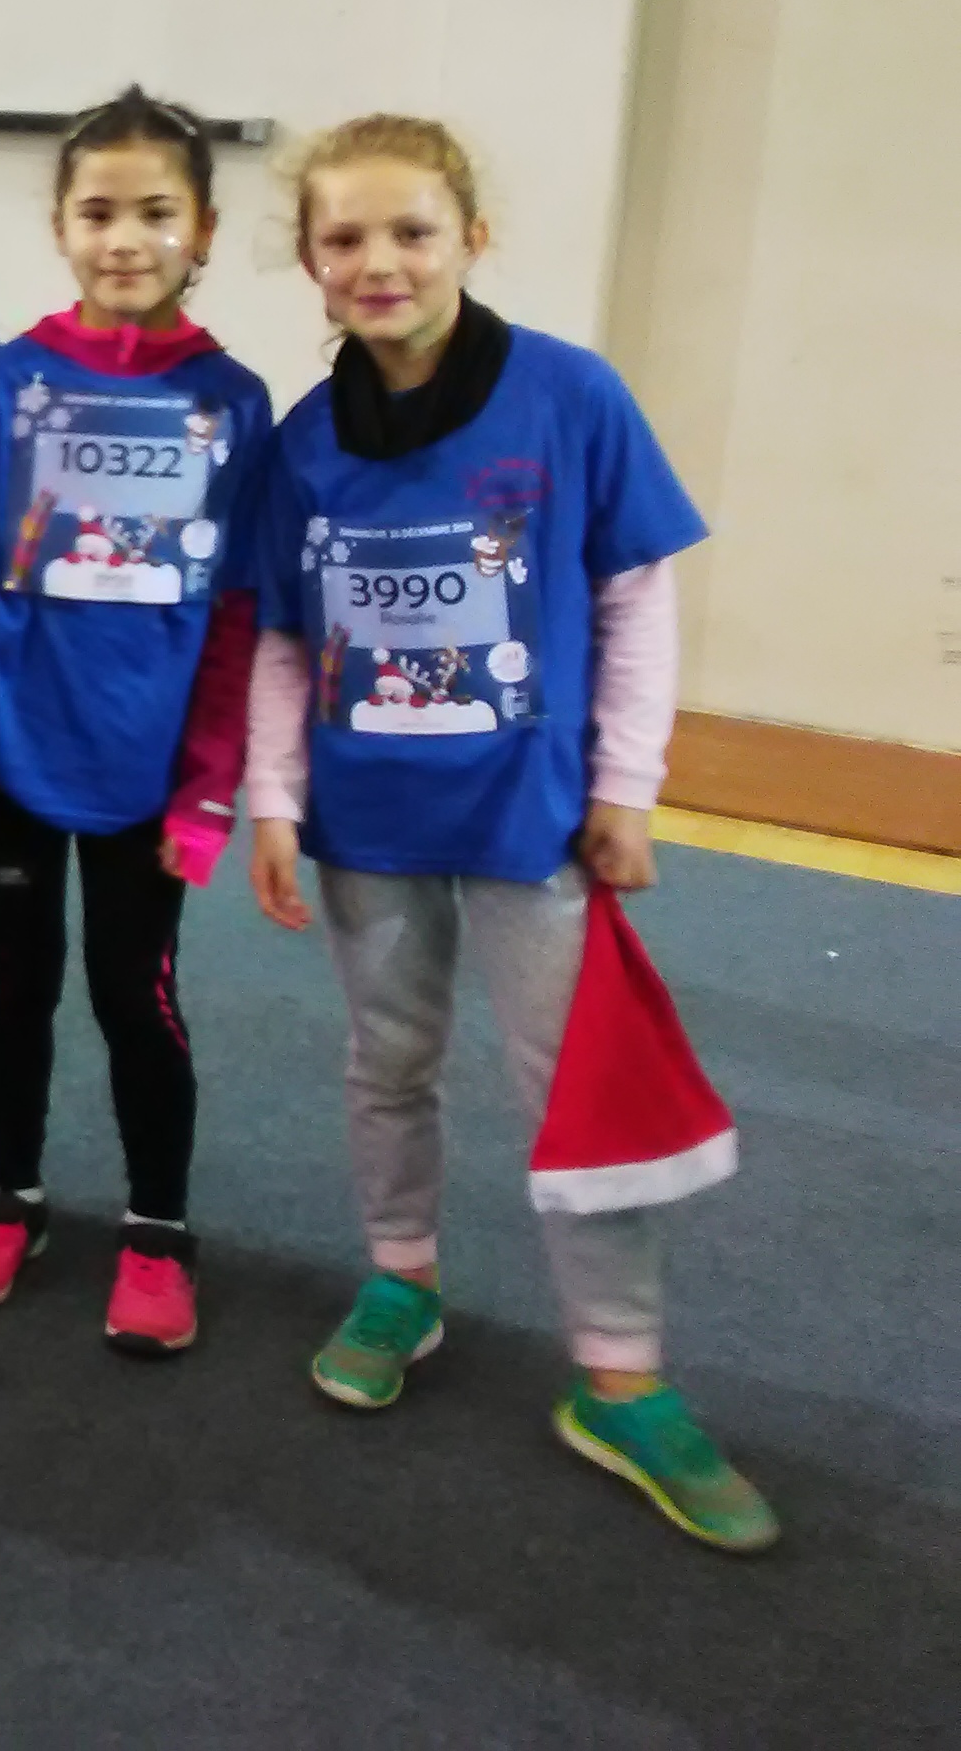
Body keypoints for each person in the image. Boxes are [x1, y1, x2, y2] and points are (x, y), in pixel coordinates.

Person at [244, 115, 777, 1553]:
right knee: (390, 1059)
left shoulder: (570, 397)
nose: (378, 263)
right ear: (308, 258)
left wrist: (627, 784)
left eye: (411, 231)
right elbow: (287, 642)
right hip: (369, 825)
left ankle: (619, 1373)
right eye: (344, 238)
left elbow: (633, 599)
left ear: (472, 238)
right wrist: (276, 800)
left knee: (577, 1089)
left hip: (534, 821)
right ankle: (403, 1276)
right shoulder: (304, 445)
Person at [0, 89, 268, 1358]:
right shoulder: (10, 382)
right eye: (98, 212)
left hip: (147, 776)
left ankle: (158, 1230)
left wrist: (212, 786)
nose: (125, 239)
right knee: (13, 984)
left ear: (202, 227)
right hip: (7, 754)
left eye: (155, 213)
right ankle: (13, 1199)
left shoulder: (234, 403)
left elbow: (236, 617)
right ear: (59, 225)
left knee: (133, 996)